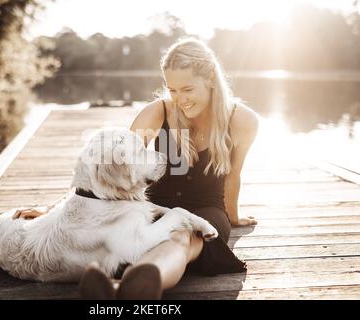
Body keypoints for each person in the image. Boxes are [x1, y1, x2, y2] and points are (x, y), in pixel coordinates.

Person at [15, 37, 259, 300]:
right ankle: (129, 287)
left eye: (187, 89)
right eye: (173, 90)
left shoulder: (242, 120)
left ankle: (126, 290)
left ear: (210, 78)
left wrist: (233, 218)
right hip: (149, 209)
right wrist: (53, 210)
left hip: (208, 211)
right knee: (158, 237)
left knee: (182, 238)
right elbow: (111, 166)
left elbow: (233, 176)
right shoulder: (157, 113)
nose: (180, 100)